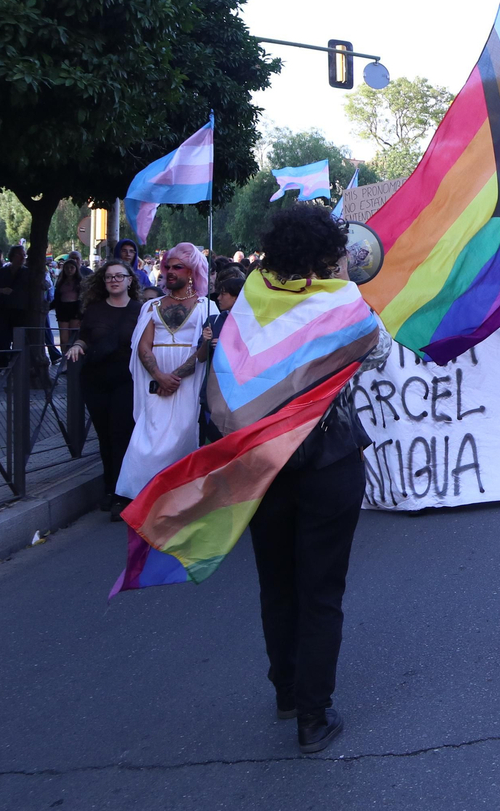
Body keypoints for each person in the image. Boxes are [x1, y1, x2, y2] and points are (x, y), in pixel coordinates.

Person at [238, 204, 389, 754]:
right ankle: (312, 713)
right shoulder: (340, 303)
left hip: (263, 465)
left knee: (276, 581)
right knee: (320, 589)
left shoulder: (251, 304)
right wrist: (345, 284)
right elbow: (379, 354)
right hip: (328, 459)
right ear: (328, 254)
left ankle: (285, 690)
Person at [116, 244, 214, 499]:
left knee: (183, 438)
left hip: (189, 386)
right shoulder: (152, 306)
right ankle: (144, 497)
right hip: (155, 383)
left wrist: (176, 376)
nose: (169, 271)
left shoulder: (206, 307)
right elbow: (143, 346)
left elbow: (208, 348)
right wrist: (160, 376)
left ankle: (176, 500)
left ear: (191, 271)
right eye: (167, 266)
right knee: (146, 441)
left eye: (177, 267)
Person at [65, 260, 141, 518]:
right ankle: (110, 488)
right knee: (104, 436)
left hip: (126, 380)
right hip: (96, 379)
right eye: (109, 277)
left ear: (130, 280)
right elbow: (85, 337)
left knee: (121, 434)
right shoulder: (95, 310)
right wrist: (78, 346)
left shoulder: (141, 311)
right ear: (103, 281)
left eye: (120, 276)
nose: (114, 280)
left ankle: (122, 493)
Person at [0, 245, 31, 368]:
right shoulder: (2, 271)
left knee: (19, 339)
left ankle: (18, 364)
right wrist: (2, 290)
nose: (23, 257)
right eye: (20, 254)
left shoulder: (27, 272)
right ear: (12, 256)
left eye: (24, 255)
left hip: (21, 310)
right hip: (3, 310)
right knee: (2, 339)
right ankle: (1, 364)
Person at [53, 255, 84, 350]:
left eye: (72, 267)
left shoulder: (80, 282)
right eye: (66, 268)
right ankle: (64, 358)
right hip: (63, 309)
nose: (69, 270)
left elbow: (84, 298)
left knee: (73, 335)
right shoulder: (60, 282)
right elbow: (57, 297)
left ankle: (73, 358)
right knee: (64, 337)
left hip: (75, 309)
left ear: (76, 269)